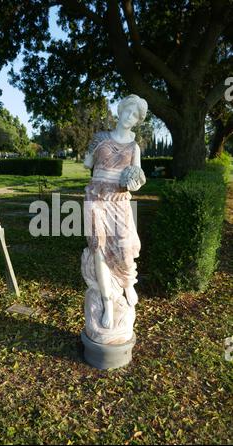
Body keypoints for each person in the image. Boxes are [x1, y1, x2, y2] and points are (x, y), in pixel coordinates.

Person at [81, 94, 147, 333]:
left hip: (119, 200)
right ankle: (108, 303)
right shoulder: (100, 137)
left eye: (135, 116)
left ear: (138, 121)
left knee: (124, 245)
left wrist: (134, 181)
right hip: (96, 197)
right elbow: (87, 164)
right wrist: (91, 150)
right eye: (128, 111)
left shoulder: (134, 146)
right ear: (120, 110)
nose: (129, 117)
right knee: (98, 249)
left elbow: (137, 177)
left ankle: (128, 282)